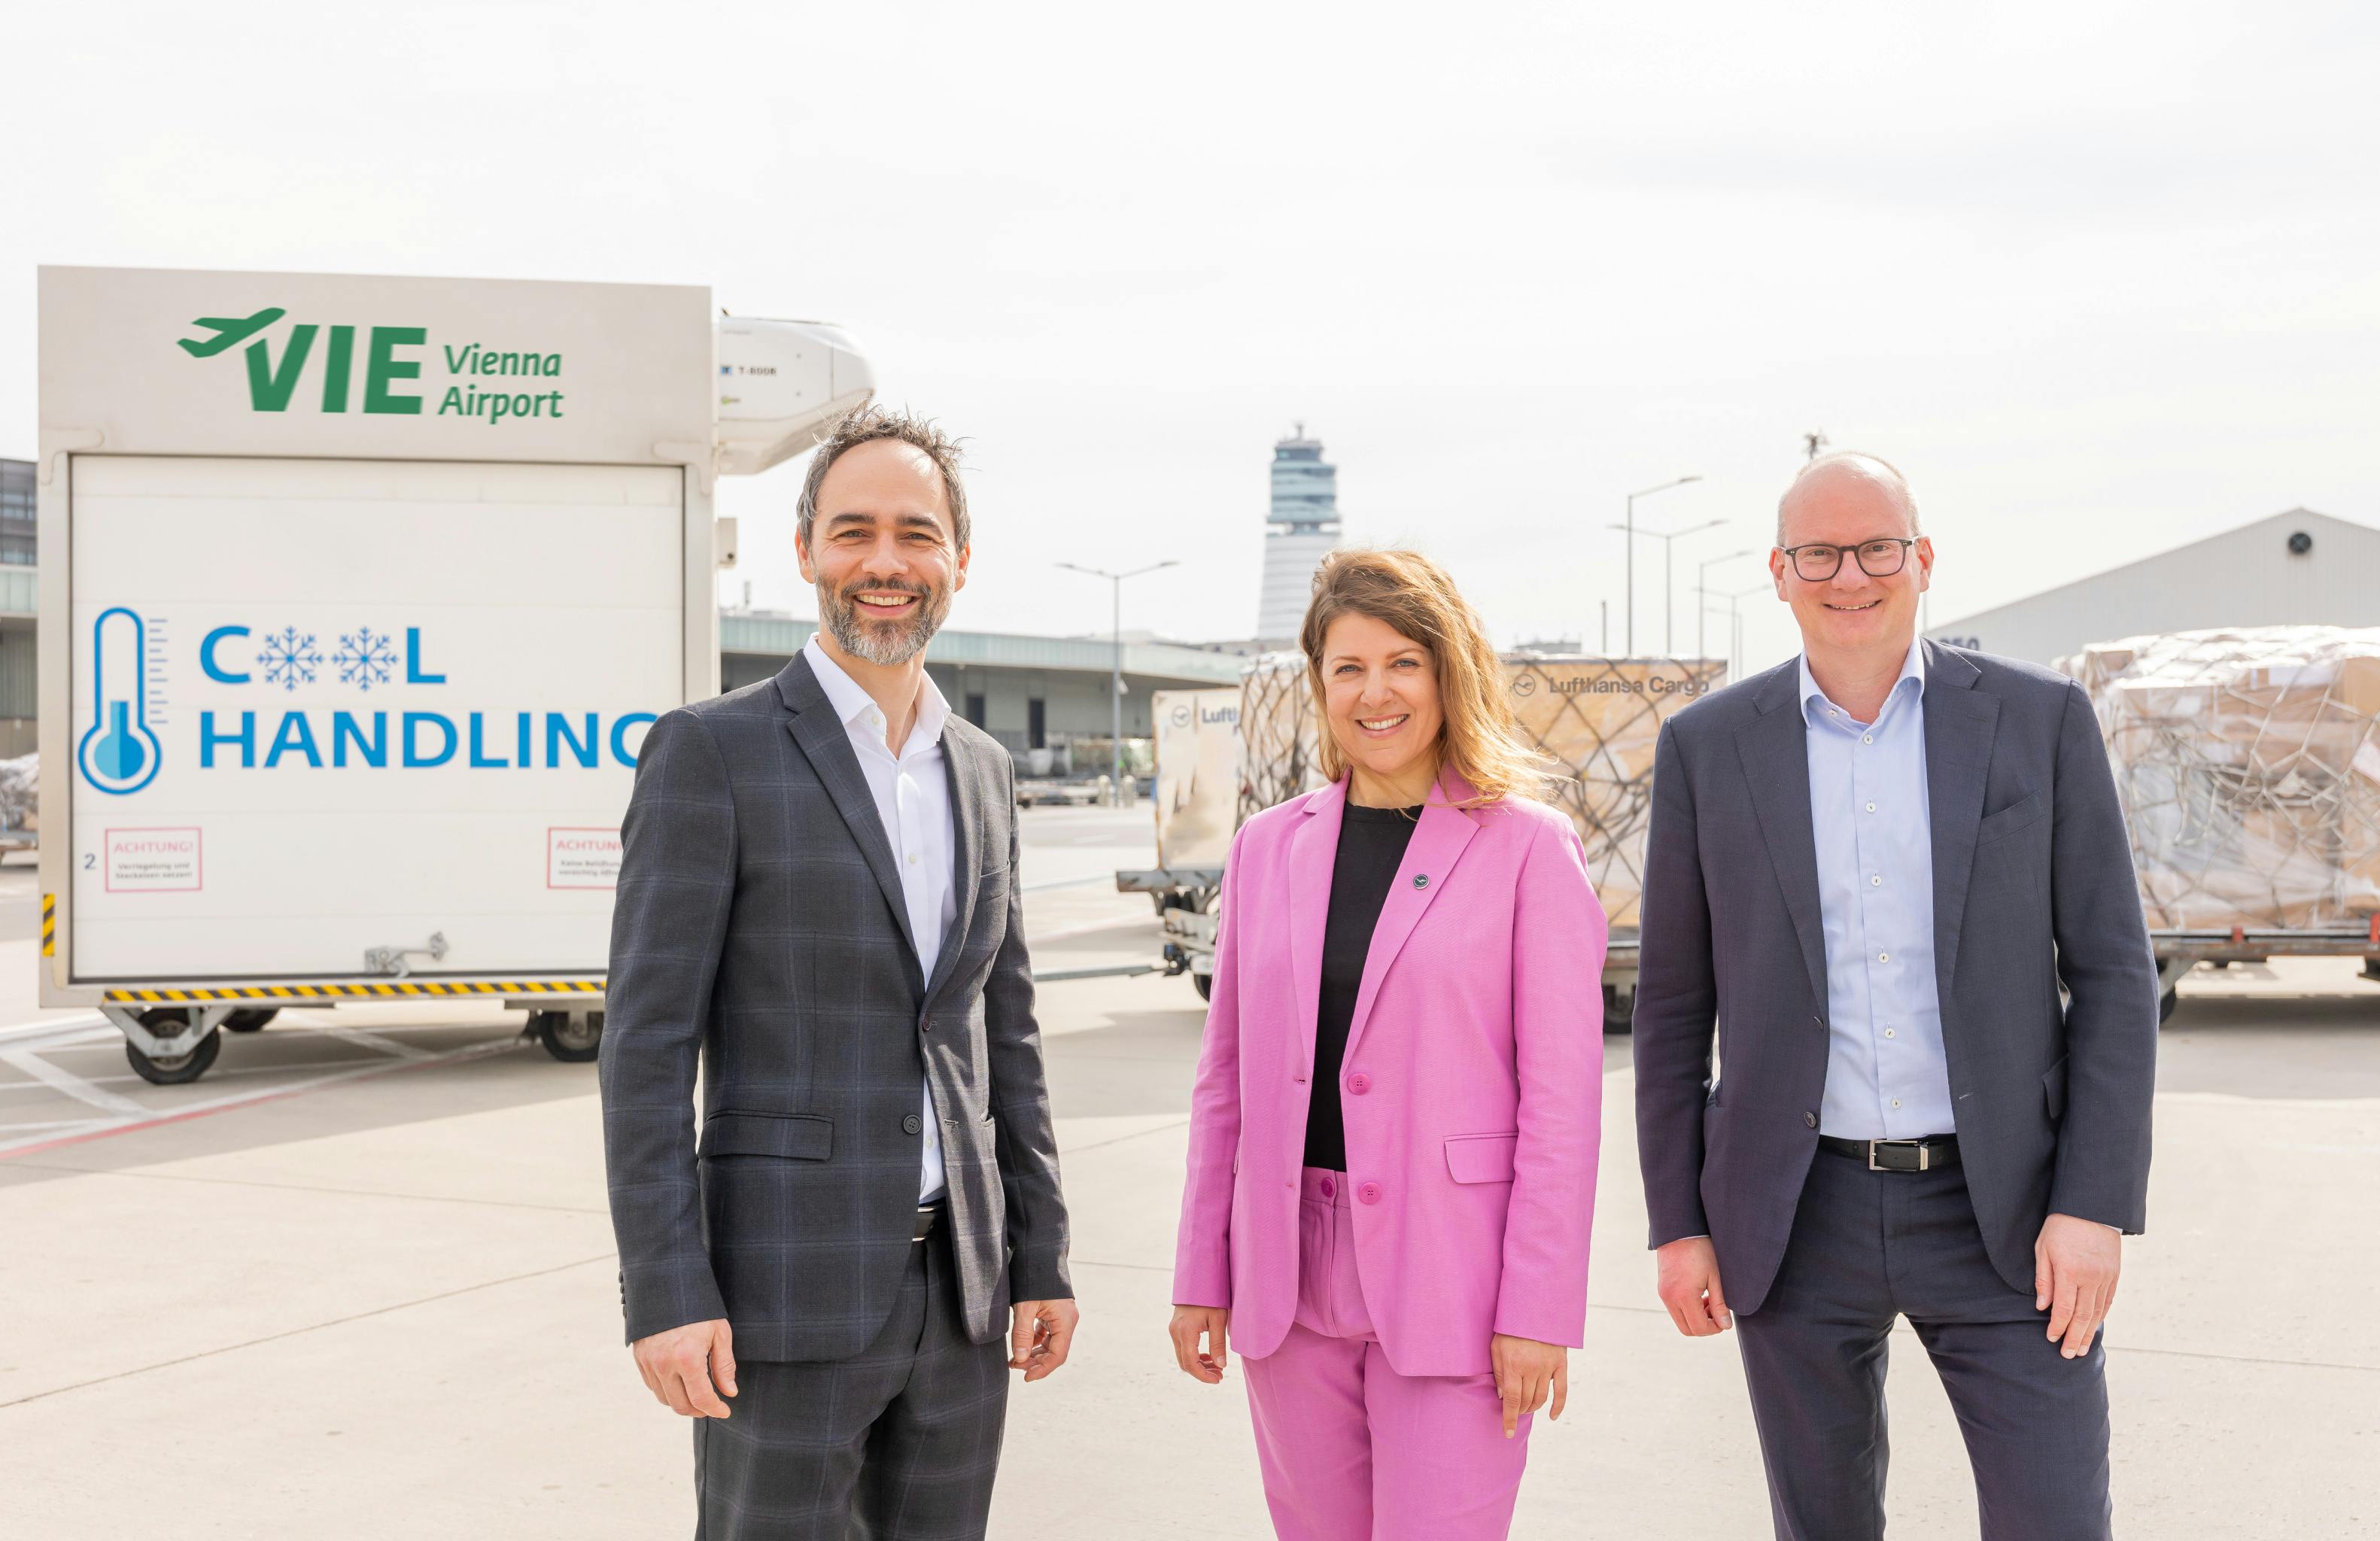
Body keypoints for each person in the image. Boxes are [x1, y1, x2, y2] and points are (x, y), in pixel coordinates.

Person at [1634, 453, 2157, 1540]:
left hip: (2010, 1210)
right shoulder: (1707, 748)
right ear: (1779, 573)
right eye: (1820, 553)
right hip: (1795, 1216)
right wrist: (1679, 1224)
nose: (1851, 576)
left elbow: (2114, 974)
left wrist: (2094, 1203)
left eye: (1877, 548)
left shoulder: (2039, 719)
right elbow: (1675, 1007)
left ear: (1922, 559)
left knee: (2056, 1519)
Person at [600, 405, 1077, 1540]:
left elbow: (1002, 1035)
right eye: (854, 531)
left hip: (962, 1299)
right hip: (778, 1295)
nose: (885, 562)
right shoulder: (712, 752)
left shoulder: (983, 770)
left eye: (916, 534)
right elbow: (647, 1048)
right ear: (807, 551)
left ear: (959, 560)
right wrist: (668, 1290)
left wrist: (1041, 1256)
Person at [1169, 547, 1607, 1540]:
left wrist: (1538, 1309)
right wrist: (1202, 1273)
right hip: (1286, 1276)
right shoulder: (1265, 847)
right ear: (1320, 684)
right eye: (1349, 668)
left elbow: (1563, 1108)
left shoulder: (1528, 847)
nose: (1376, 693)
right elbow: (1224, 1082)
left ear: (1449, 673)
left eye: (1404, 663)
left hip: (1455, 1280)